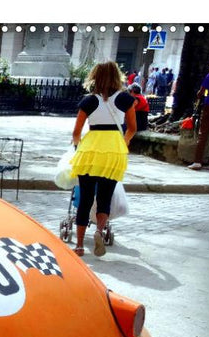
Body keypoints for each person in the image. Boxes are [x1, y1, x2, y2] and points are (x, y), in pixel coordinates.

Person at [68, 61, 136, 257]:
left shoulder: (89, 101)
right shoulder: (125, 98)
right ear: (117, 76)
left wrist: (76, 146)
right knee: (105, 198)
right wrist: (123, 142)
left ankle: (80, 245)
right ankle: (99, 231)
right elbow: (132, 128)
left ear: (95, 76)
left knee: (86, 198)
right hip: (114, 150)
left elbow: (76, 132)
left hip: (90, 151)